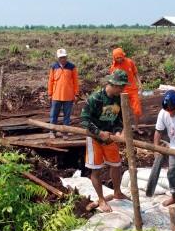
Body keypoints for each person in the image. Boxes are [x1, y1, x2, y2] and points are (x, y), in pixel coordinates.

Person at [81, 69, 130, 213]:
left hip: (110, 139)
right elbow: (84, 120)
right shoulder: (95, 99)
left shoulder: (118, 99)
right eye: (121, 87)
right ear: (113, 84)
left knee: (116, 165)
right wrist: (99, 133)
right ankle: (101, 199)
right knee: (96, 170)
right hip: (95, 138)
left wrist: (118, 131)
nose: (123, 89)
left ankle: (117, 191)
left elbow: (119, 118)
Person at [110, 47, 144, 134]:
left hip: (132, 90)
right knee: (117, 109)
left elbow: (135, 73)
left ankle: (136, 127)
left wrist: (139, 84)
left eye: (120, 57)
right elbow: (112, 82)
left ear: (123, 56)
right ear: (114, 58)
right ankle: (117, 128)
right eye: (117, 58)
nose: (119, 59)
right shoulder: (114, 68)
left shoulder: (129, 62)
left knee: (137, 110)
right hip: (120, 91)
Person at [48, 48, 80, 140]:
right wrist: (50, 94)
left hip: (68, 96)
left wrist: (76, 94)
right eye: (61, 58)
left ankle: (65, 132)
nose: (63, 59)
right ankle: (52, 131)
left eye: (64, 57)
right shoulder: (54, 67)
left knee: (67, 115)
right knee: (54, 114)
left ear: (67, 57)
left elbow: (75, 82)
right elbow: (50, 81)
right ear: (58, 58)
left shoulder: (72, 67)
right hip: (56, 95)